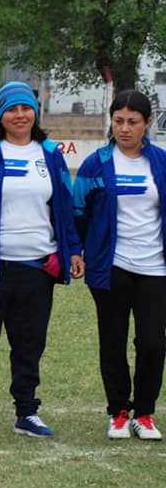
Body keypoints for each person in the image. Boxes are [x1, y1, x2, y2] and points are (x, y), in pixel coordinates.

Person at [0, 81, 84, 438]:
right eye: (11, 109)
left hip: (37, 269)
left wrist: (74, 249)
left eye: (25, 109)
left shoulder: (50, 154)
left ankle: (27, 412)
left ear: (34, 113)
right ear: (0, 114)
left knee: (29, 344)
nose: (19, 115)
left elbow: (64, 209)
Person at [72, 90, 166, 441]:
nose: (125, 128)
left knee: (153, 343)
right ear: (111, 121)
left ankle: (144, 412)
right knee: (112, 341)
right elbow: (78, 212)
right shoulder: (96, 163)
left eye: (133, 122)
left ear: (147, 124)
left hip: (155, 268)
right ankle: (119, 411)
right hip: (110, 267)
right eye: (118, 121)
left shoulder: (161, 162)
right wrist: (77, 250)